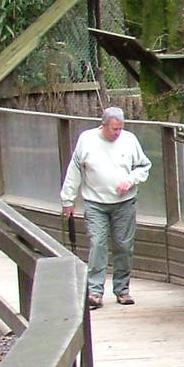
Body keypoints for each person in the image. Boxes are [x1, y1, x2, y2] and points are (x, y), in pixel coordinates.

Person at [61, 106, 152, 309]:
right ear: (103, 126)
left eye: (120, 128)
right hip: (95, 202)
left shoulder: (129, 140)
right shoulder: (87, 140)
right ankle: (95, 292)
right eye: (114, 129)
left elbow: (144, 165)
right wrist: (68, 200)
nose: (117, 133)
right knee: (98, 243)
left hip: (124, 202)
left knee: (123, 245)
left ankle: (122, 289)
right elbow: (74, 170)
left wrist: (130, 180)